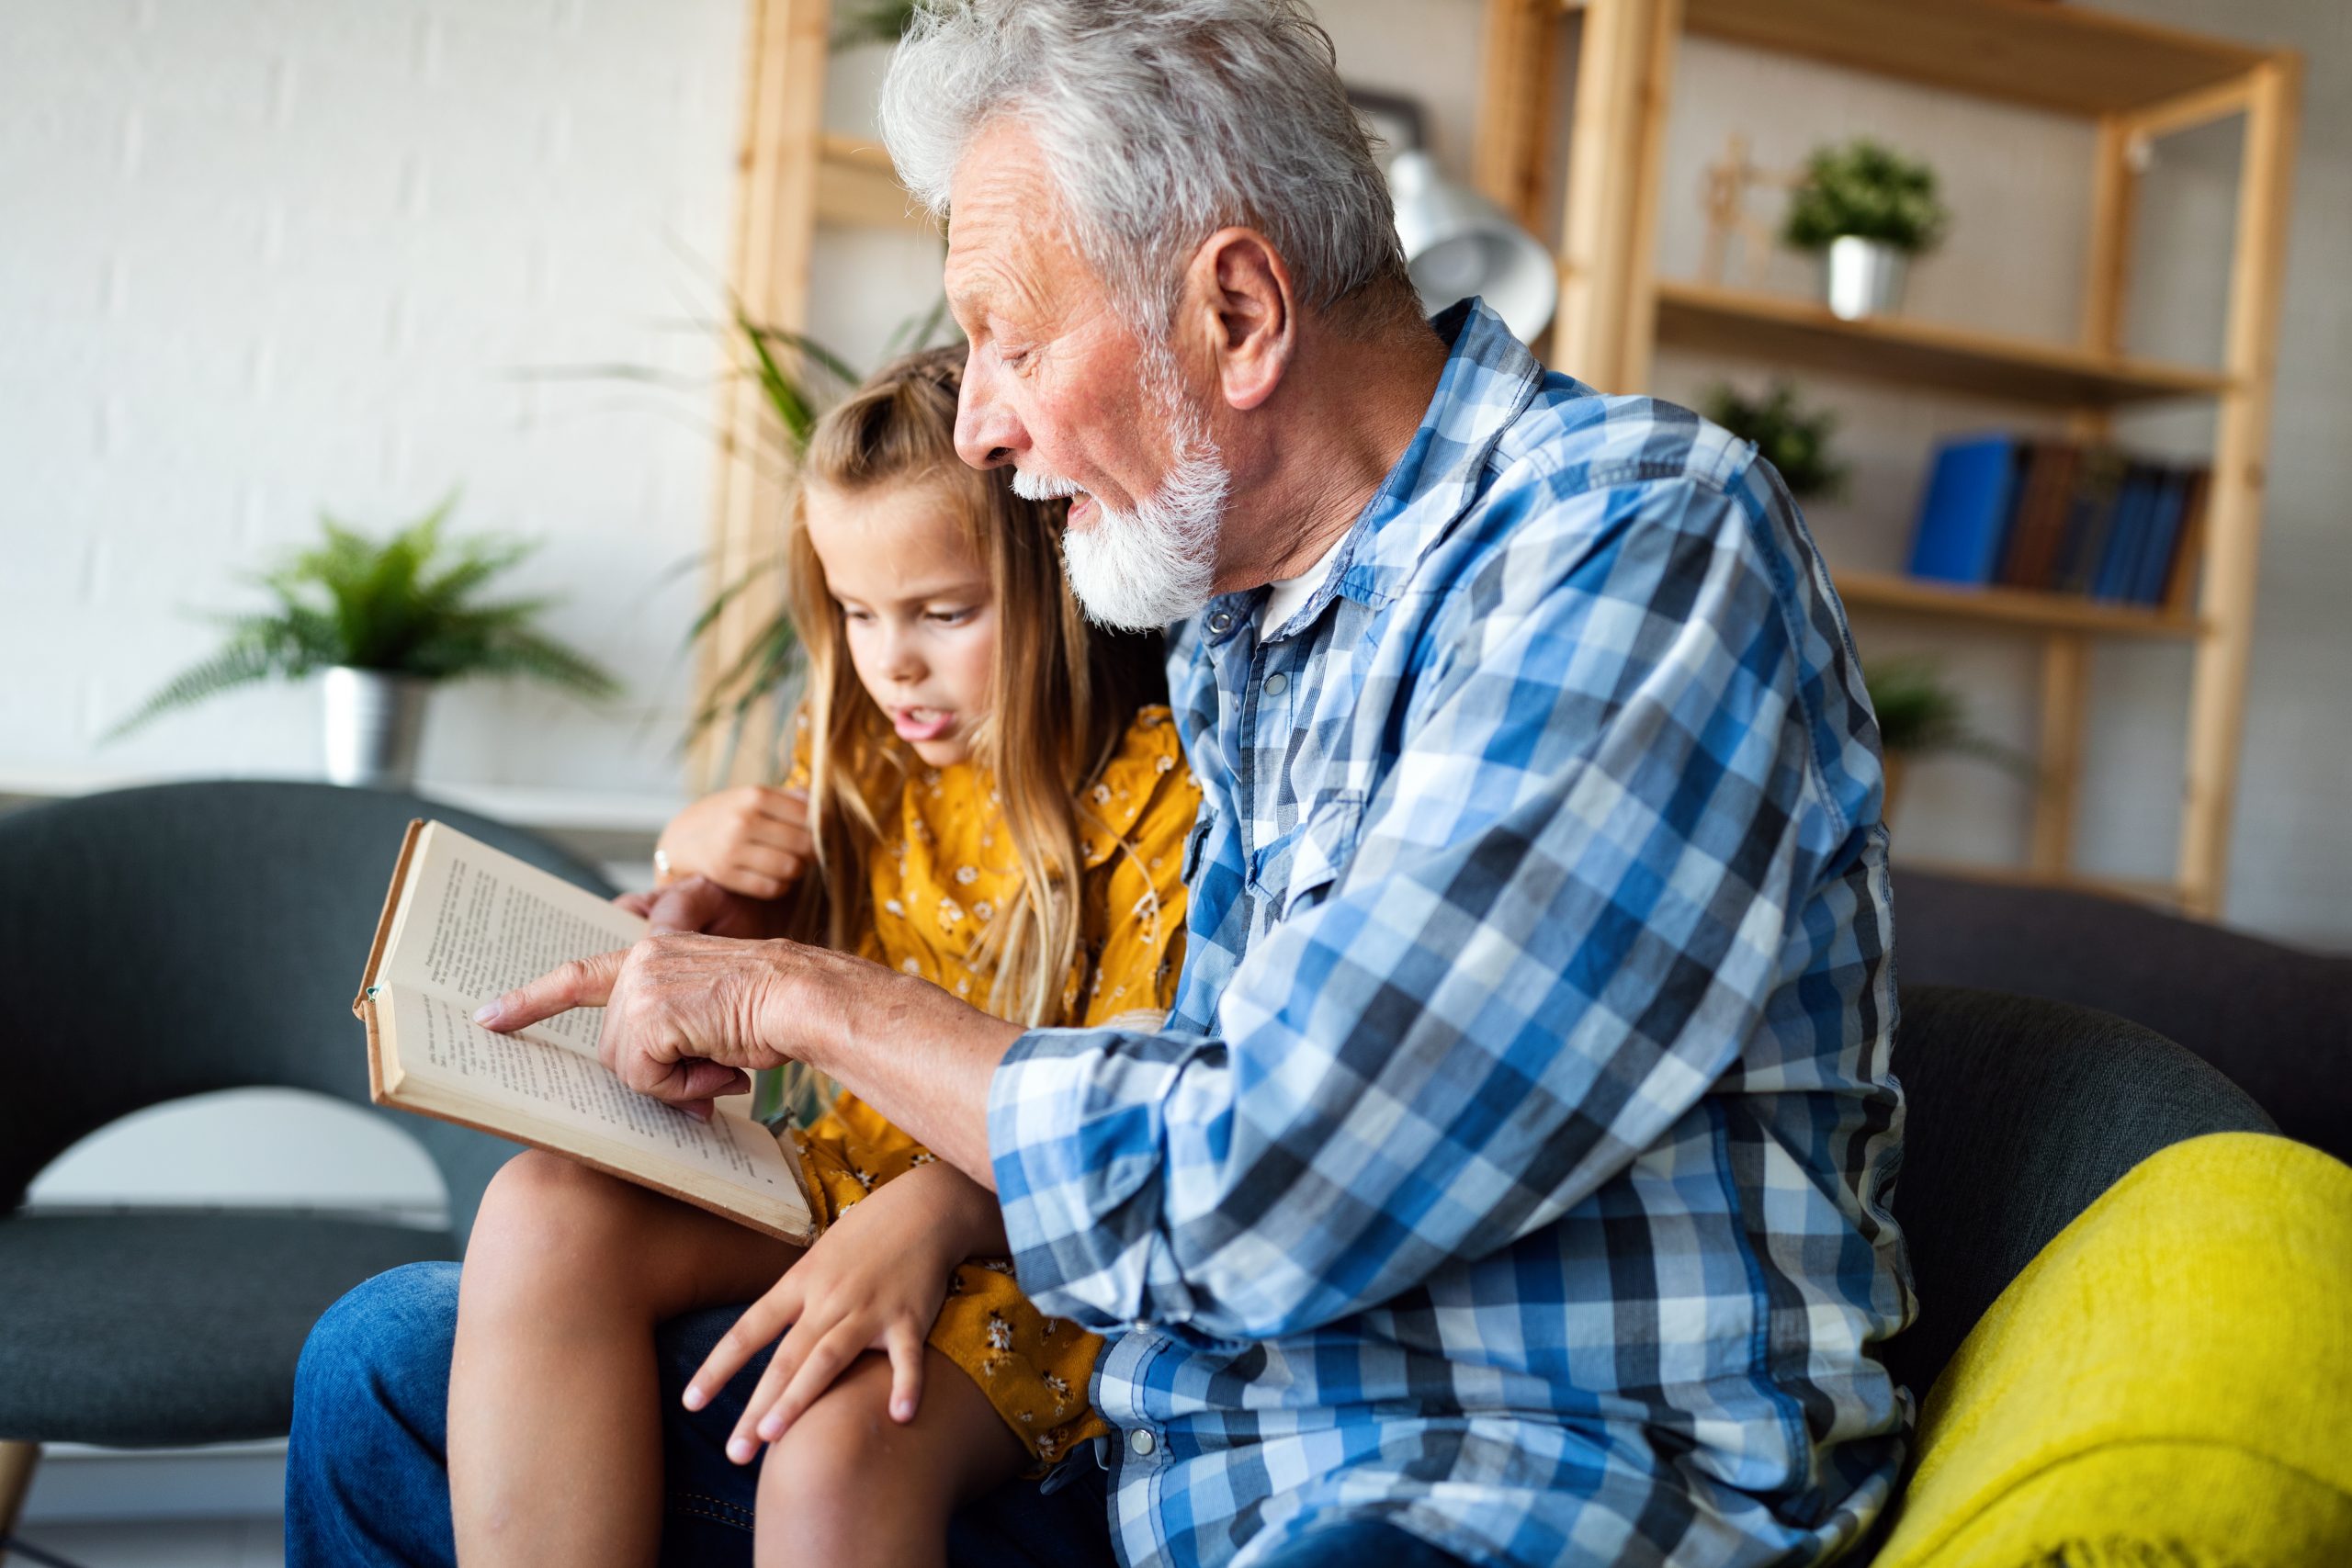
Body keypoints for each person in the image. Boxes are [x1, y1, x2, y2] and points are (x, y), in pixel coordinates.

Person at [293, 5, 1913, 1565]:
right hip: (1184, 1457)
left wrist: (796, 999)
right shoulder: (1239, 630)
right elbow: (1189, 1042)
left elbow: (1283, 1168)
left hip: (1471, 1491)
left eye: (1008, 338)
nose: (982, 426)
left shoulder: (1623, 548)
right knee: (388, 1374)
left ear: (1237, 314)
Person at [296, 346, 1199, 1568]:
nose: (895, 665)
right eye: (859, 614)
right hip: (846, 1183)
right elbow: (763, 923)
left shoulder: (1164, 793)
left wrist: (938, 1215)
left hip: (1039, 1245)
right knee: (542, 1208)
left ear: (1060, 573)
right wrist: (696, 858)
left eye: (945, 612)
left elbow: (1151, 1115)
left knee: (835, 1454)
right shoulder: (868, 748)